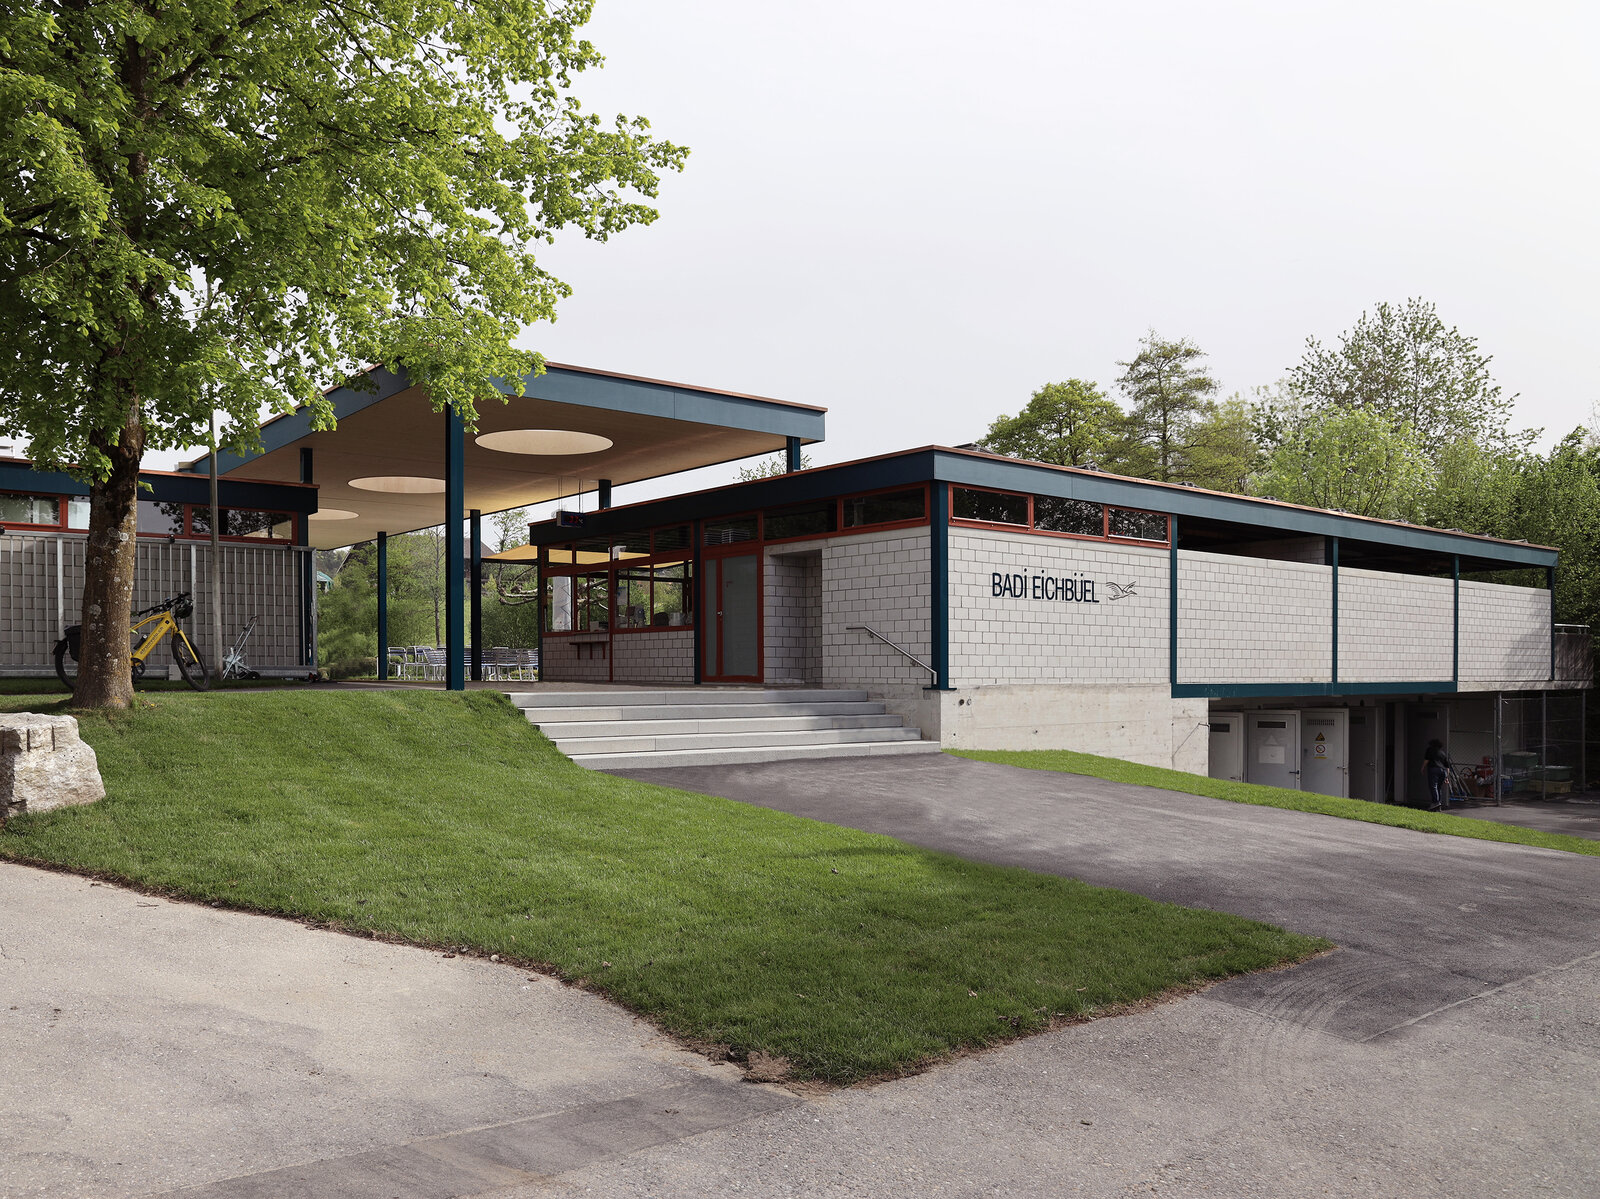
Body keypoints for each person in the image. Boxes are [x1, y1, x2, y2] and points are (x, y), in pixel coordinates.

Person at [1422, 738, 1454, 811]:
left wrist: (1422, 768)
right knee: (1438, 788)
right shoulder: (1442, 753)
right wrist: (1446, 777)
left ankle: (1435, 802)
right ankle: (1438, 804)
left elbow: (1427, 760)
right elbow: (1447, 766)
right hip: (1443, 771)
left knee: (1433, 786)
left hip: (1434, 769)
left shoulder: (1430, 750)